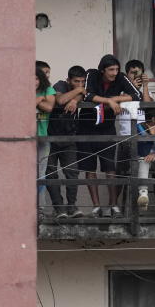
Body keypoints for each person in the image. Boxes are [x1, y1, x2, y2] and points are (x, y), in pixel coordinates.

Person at [79, 55, 141, 218]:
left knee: (110, 167)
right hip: (86, 128)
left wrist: (116, 99)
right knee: (89, 168)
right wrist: (109, 102)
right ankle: (96, 207)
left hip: (107, 129)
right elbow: (87, 95)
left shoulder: (121, 77)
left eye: (116, 69)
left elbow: (137, 95)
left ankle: (113, 205)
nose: (115, 73)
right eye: (111, 70)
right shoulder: (91, 74)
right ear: (102, 70)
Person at [46, 66, 87, 219]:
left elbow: (83, 95)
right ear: (68, 80)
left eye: (82, 82)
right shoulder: (59, 85)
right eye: (76, 81)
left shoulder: (80, 90)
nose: (79, 84)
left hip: (69, 138)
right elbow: (61, 100)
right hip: (51, 137)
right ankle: (59, 208)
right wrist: (78, 92)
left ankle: (72, 206)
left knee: (72, 173)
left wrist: (76, 99)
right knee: (50, 174)